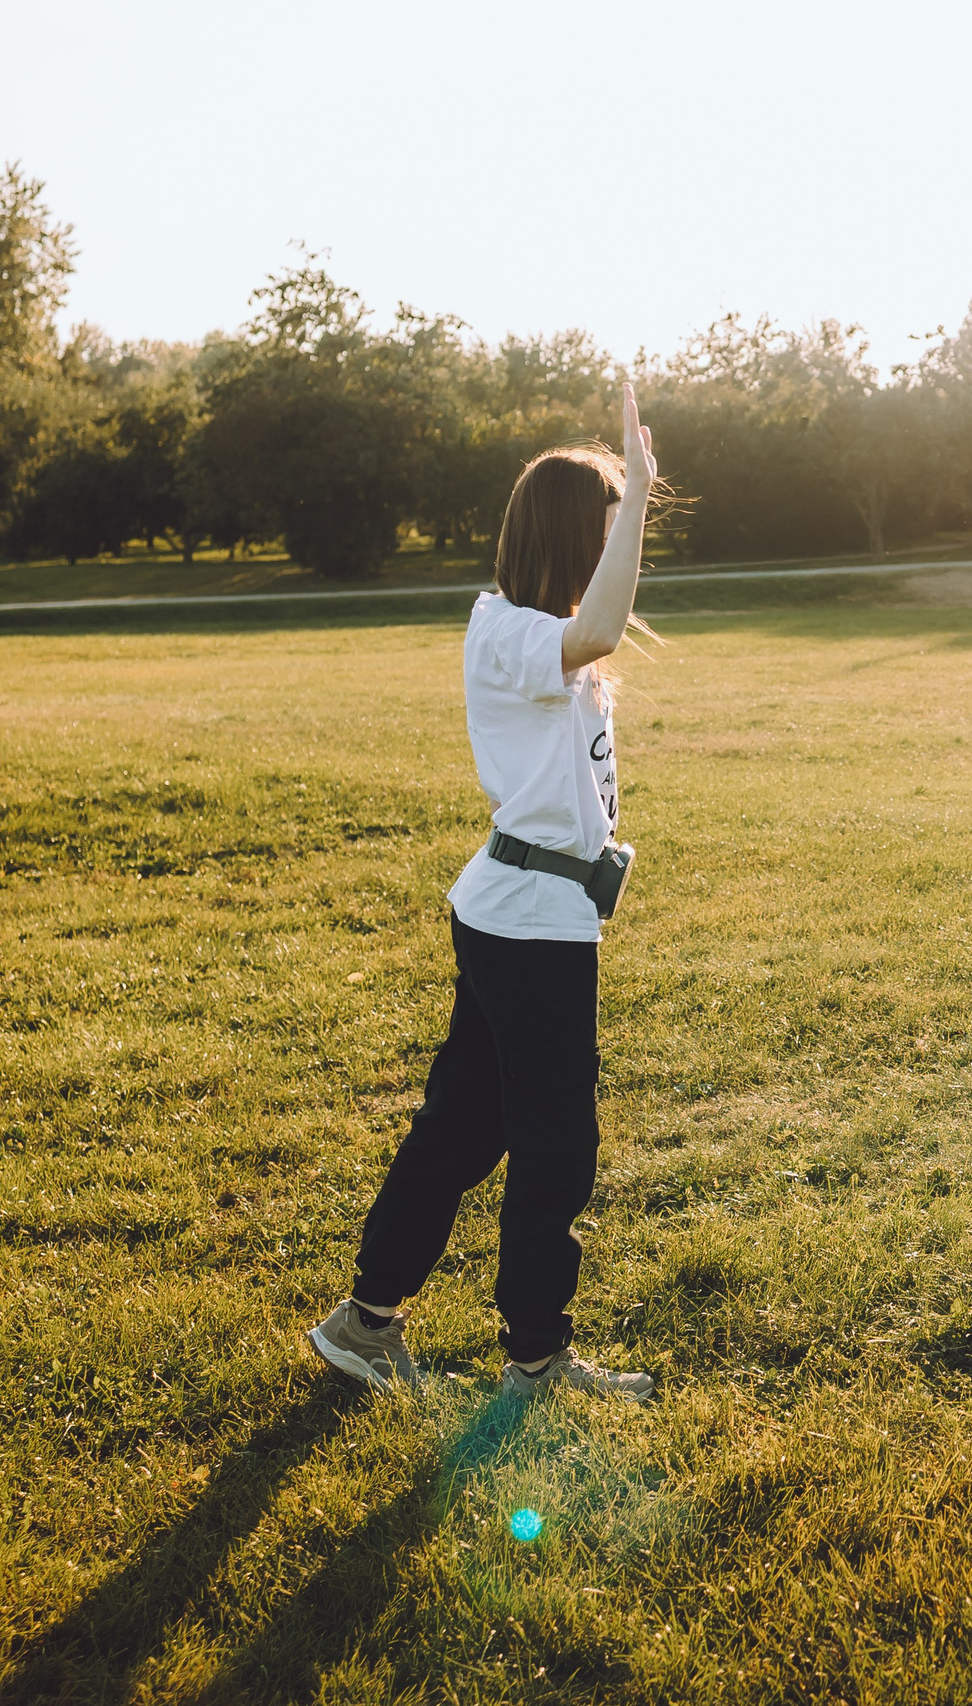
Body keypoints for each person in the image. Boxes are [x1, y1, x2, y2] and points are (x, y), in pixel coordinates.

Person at [308, 385, 660, 1403]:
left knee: (463, 1126)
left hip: (526, 914)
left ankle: (364, 1322)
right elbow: (604, 626)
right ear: (570, 534)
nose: (617, 548)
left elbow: (596, 634)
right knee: (557, 1147)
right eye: (606, 530)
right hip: (529, 927)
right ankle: (537, 1360)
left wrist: (631, 504)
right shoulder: (507, 632)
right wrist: (639, 494)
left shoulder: (542, 633)